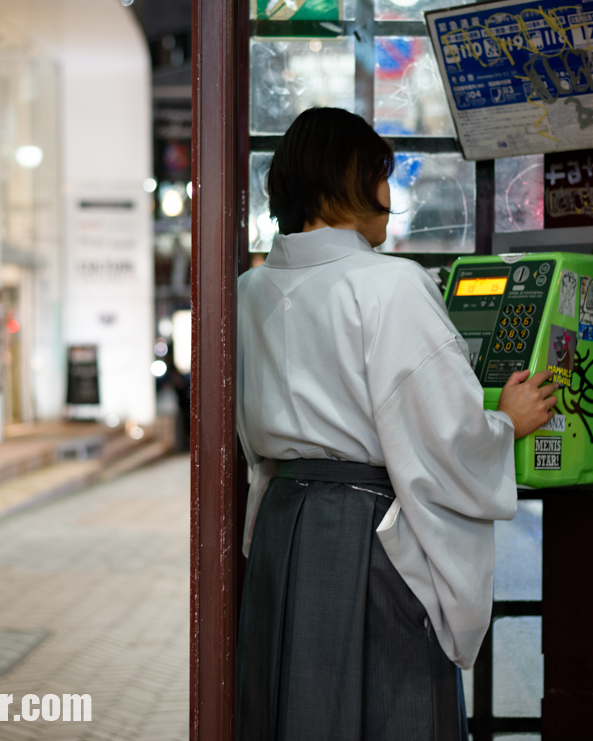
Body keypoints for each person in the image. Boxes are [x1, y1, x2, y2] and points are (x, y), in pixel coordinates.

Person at [235, 107, 558, 740]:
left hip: (283, 524)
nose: (390, 198)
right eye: (380, 178)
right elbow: (442, 433)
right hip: (368, 536)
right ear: (343, 183)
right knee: (392, 704)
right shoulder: (389, 283)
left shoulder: (251, 290)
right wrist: (505, 424)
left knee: (291, 703)